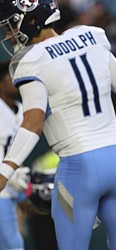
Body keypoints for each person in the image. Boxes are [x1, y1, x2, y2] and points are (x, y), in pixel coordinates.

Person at [0, 1, 116, 249]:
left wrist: (4, 173)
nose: (8, 33)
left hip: (78, 167)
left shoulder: (29, 61)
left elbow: (33, 123)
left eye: (12, 24)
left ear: (32, 21)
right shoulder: (90, 37)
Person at [0, 60, 33, 250]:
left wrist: (23, 192)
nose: (15, 81)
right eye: (10, 77)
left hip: (13, 187)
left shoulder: (22, 110)